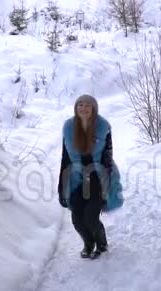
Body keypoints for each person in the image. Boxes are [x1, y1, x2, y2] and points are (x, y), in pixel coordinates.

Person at [57, 94, 122, 259]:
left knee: (91, 217)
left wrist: (106, 185)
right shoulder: (69, 128)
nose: (83, 108)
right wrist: (61, 188)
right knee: (77, 219)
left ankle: (101, 244)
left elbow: (107, 157)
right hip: (77, 179)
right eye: (80, 105)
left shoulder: (102, 127)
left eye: (87, 105)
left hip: (97, 179)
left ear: (93, 108)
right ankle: (88, 243)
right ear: (76, 108)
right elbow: (65, 159)